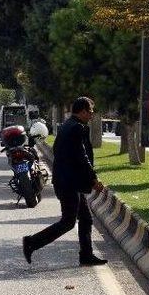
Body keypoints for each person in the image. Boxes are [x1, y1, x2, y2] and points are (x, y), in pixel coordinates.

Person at [22, 96, 107, 266]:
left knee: (86, 219)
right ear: (82, 111)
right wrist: (93, 179)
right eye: (90, 111)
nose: (91, 115)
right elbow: (82, 157)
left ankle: (86, 255)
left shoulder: (67, 126)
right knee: (68, 222)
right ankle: (32, 242)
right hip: (69, 184)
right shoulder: (77, 128)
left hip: (67, 181)